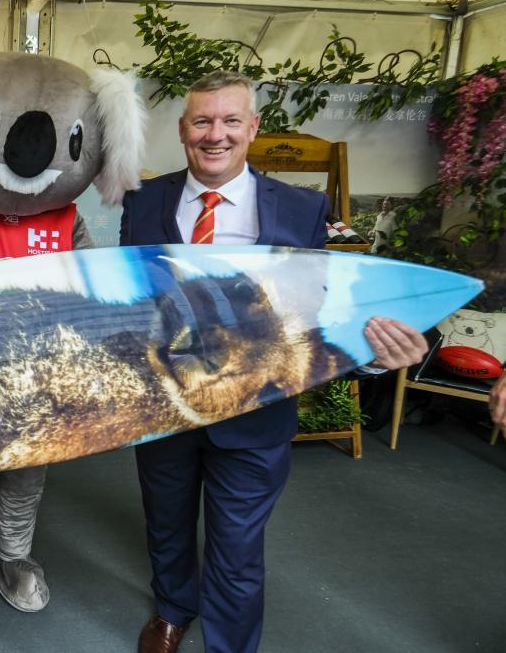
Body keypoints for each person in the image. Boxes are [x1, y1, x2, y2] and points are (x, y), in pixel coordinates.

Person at [119, 71, 428, 653]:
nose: (217, 134)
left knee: (237, 544)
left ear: (253, 127)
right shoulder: (144, 201)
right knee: (166, 521)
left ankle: (230, 644)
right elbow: (135, 297)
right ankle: (171, 609)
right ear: (184, 130)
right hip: (167, 405)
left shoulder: (302, 209)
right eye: (203, 121)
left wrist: (372, 357)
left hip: (257, 411)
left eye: (231, 120)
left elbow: (321, 310)